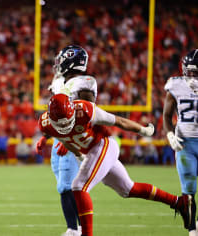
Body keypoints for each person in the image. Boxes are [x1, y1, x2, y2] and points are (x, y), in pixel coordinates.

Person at [37, 94, 192, 236]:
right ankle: (179, 203)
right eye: (60, 125)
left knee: (78, 186)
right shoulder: (45, 124)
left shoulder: (86, 110)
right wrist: (79, 155)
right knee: (128, 189)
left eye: (67, 123)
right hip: (91, 154)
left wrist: (144, 131)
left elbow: (119, 121)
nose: (65, 127)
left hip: (104, 145)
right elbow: (65, 139)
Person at [36, 45, 97, 236]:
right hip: (59, 139)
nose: (58, 64)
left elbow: (87, 115)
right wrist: (47, 136)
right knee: (64, 188)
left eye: (62, 60)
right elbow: (57, 113)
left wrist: (66, 140)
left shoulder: (85, 83)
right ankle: (75, 228)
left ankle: (75, 229)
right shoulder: (60, 82)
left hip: (73, 141)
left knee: (68, 186)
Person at [163, 48, 198, 235]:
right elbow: (167, 115)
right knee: (189, 191)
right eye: (189, 72)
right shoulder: (176, 85)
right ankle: (192, 231)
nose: (192, 76)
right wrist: (170, 135)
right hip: (186, 144)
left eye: (196, 72)